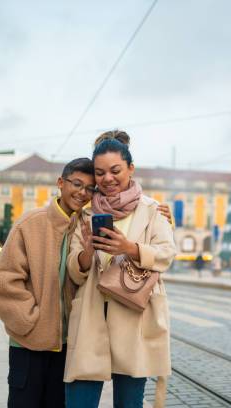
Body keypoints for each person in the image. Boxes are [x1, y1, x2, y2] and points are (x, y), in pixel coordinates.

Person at [64, 132, 176, 408]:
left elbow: (166, 255)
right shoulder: (86, 214)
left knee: (129, 404)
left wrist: (129, 248)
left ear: (130, 169)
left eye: (115, 170)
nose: (107, 178)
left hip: (134, 317)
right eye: (100, 173)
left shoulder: (152, 211)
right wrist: (88, 251)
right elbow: (74, 270)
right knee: (79, 402)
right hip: (92, 317)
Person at [0, 158, 95, 408]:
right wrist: (29, 321)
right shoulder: (30, 223)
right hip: (28, 344)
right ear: (61, 183)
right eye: (77, 184)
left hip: (67, 345)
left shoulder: (86, 227)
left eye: (90, 188)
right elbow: (4, 280)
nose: (82, 193)